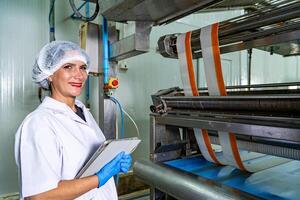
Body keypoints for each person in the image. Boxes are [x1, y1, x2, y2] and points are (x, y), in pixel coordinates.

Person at [14, 41, 132, 200]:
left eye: (83, 67)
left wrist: (112, 161)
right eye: (68, 67)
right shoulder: (39, 123)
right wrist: (100, 177)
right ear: (49, 74)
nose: (80, 75)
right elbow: (39, 196)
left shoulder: (82, 110)